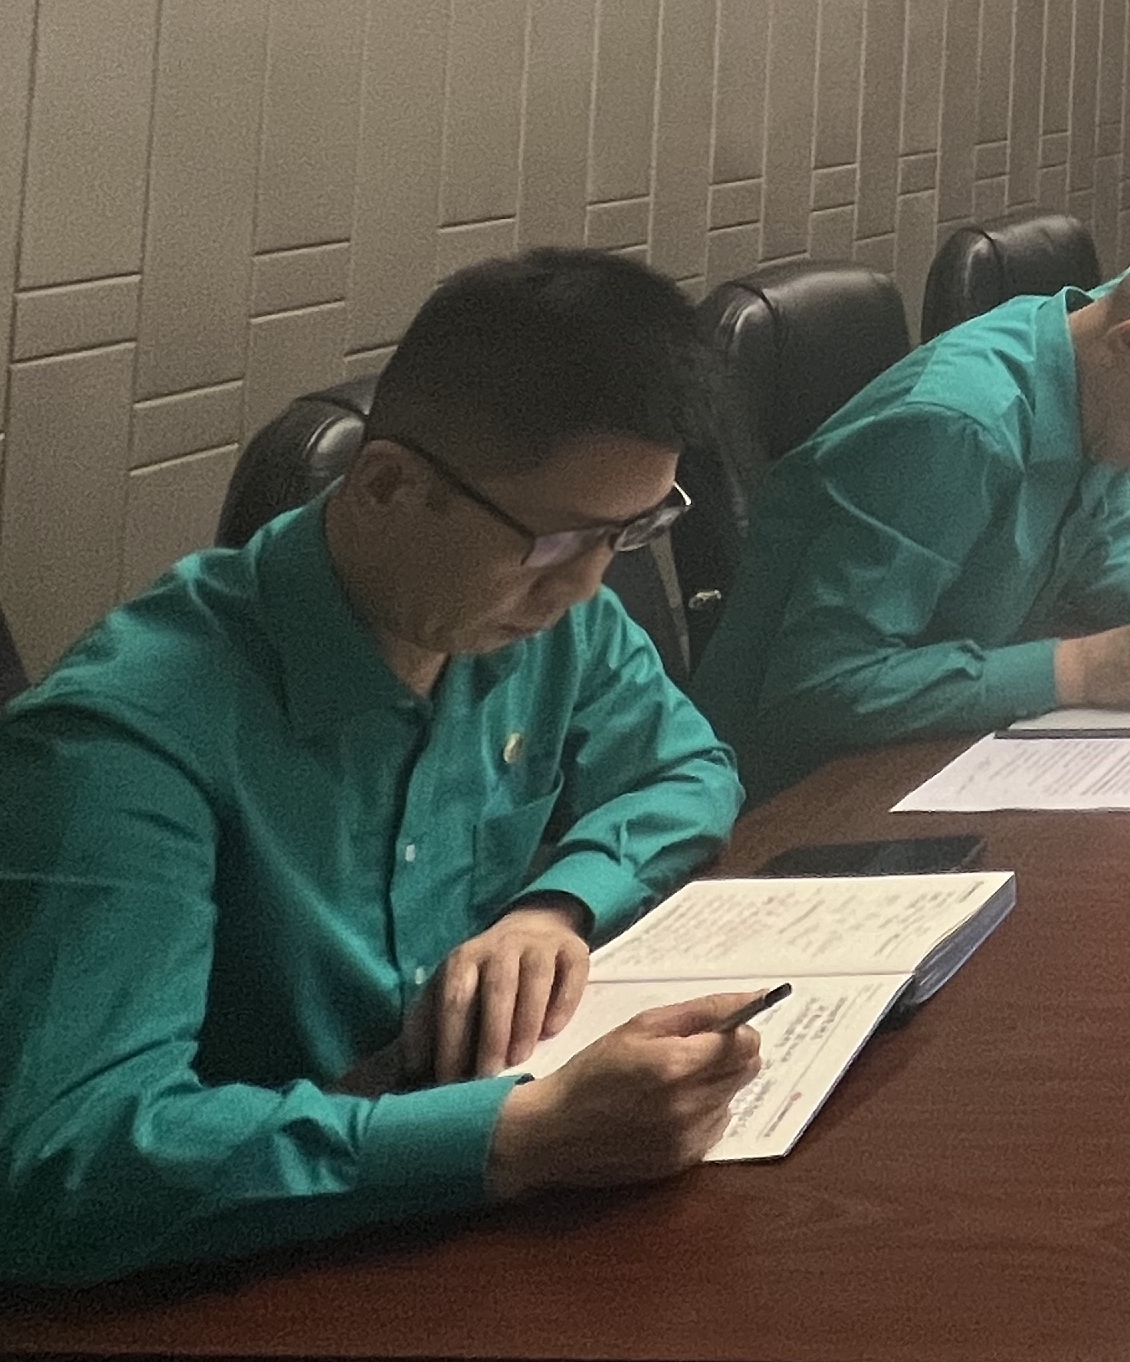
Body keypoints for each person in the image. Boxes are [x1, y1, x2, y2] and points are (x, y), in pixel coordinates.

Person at [0, 251, 765, 1288]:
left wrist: (557, 906)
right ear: (389, 485)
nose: (589, 589)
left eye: (631, 532)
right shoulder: (122, 742)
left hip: (441, 1207)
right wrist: (516, 1137)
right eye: (559, 543)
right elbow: (65, 1160)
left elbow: (689, 768)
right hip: (237, 1267)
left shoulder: (534, 622)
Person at [692, 232, 1130, 791]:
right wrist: (1076, 670)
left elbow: (1098, 544)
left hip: (937, 754)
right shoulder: (958, 425)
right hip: (796, 795)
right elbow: (820, 687)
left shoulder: (1089, 372)